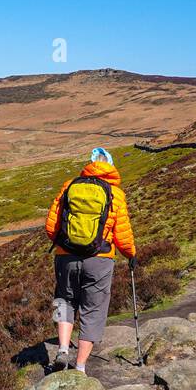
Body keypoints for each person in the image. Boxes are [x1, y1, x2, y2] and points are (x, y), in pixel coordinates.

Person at [43, 147, 136, 372]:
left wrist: (65, 244)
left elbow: (51, 226)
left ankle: (63, 349)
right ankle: (81, 367)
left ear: (90, 164)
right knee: (93, 308)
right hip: (99, 259)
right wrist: (131, 254)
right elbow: (122, 234)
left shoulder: (69, 186)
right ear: (111, 166)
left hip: (66, 257)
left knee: (64, 300)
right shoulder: (116, 193)